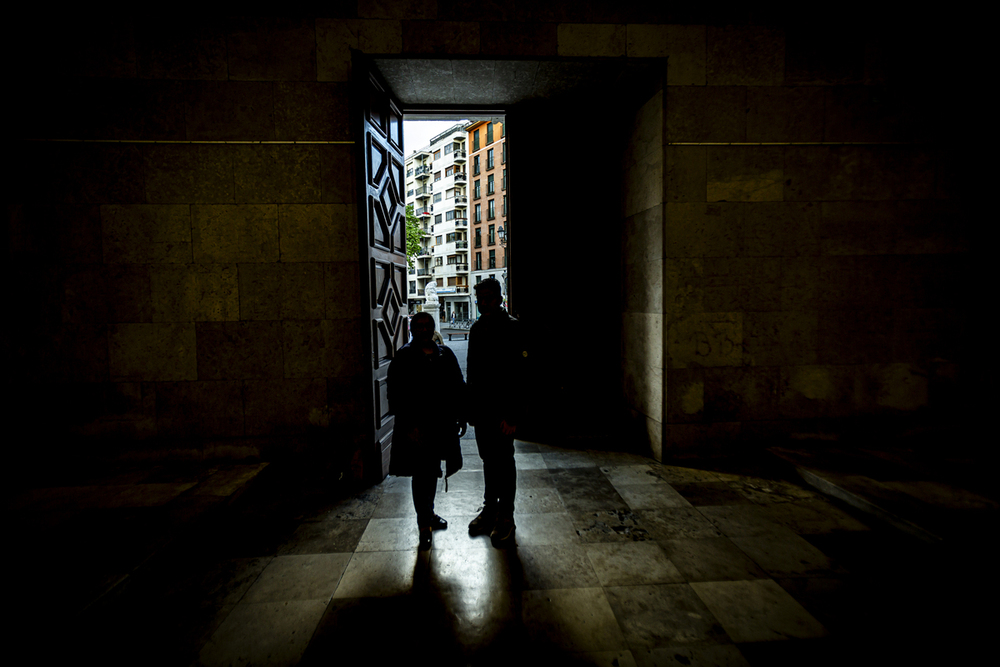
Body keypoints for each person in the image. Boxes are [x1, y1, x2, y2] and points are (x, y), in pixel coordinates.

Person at [386, 312, 467, 550]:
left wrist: (461, 416)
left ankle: (429, 514)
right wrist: (409, 427)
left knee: (432, 472)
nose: (422, 329)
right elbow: (395, 395)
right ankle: (424, 524)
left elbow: (458, 386)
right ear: (411, 330)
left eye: (426, 326)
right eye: (417, 326)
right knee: (421, 474)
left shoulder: (446, 354)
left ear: (432, 329)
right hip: (417, 427)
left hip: (441, 425)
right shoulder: (403, 358)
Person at [466, 278, 526, 547]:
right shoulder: (477, 329)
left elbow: (521, 375)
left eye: (488, 297)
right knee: (488, 460)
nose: (483, 302)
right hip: (483, 410)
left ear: (500, 298)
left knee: (505, 462)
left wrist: (513, 415)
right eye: (479, 298)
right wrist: (470, 408)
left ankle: (506, 516)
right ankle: (490, 509)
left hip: (503, 411)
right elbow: (473, 373)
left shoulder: (513, 328)